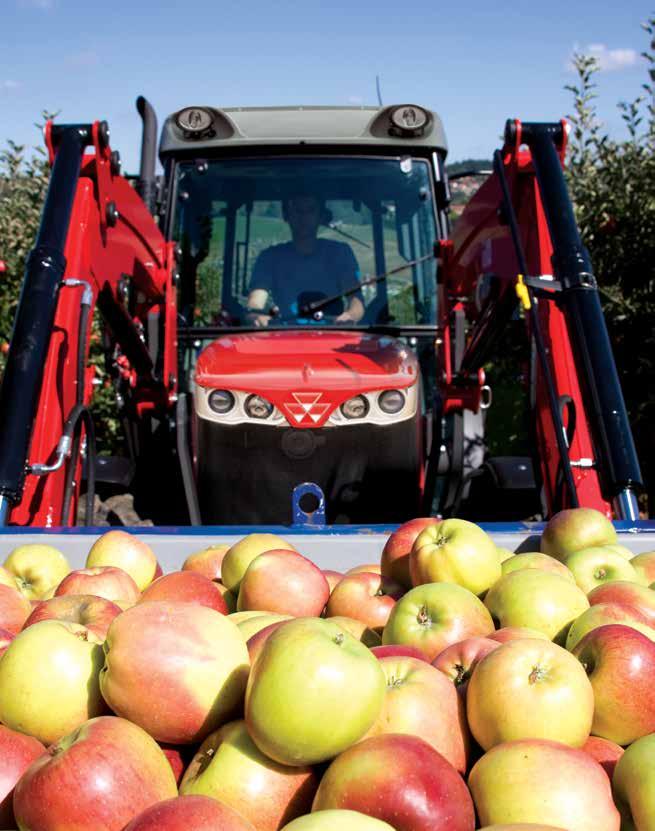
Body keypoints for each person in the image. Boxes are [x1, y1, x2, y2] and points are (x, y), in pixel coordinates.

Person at [244, 193, 365, 326]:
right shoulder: (269, 258)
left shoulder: (340, 254)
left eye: (310, 210)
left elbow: (356, 300)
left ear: (321, 216)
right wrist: (257, 317)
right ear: (287, 215)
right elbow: (255, 302)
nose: (303, 217)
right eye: (297, 210)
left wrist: (350, 315)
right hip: (282, 339)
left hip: (333, 336)